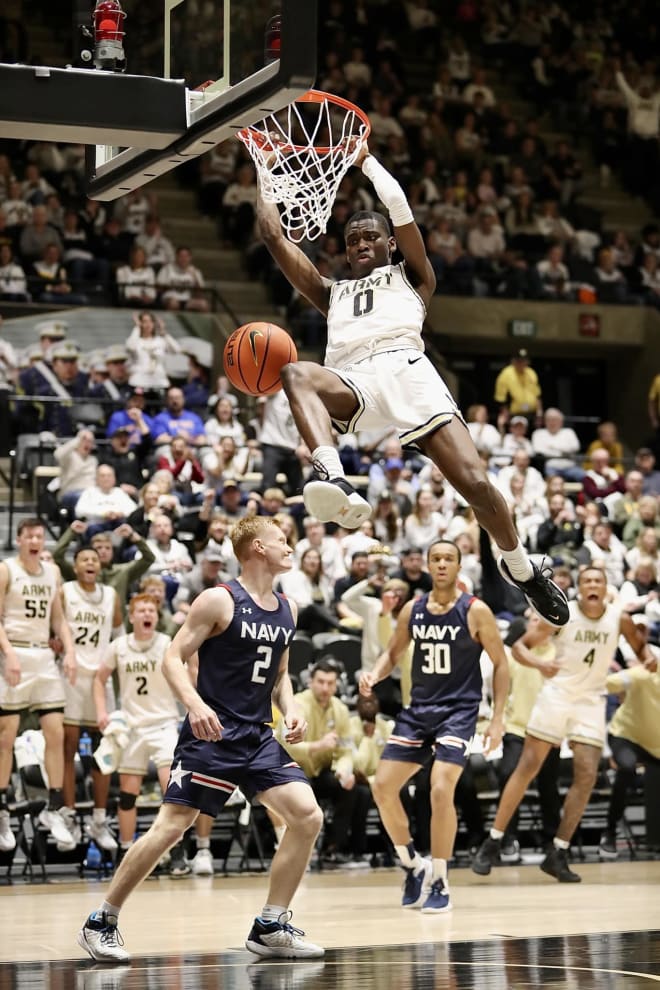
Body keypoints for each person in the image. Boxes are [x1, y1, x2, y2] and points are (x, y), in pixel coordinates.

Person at [256, 142, 568, 629]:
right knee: (295, 372)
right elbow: (274, 237)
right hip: (355, 378)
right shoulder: (331, 292)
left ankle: (522, 569)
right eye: (352, 238)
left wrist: (366, 162)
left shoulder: (413, 277)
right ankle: (332, 473)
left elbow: (399, 208)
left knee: (476, 485)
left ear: (389, 245)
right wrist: (266, 173)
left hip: (409, 373)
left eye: (369, 237)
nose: (359, 244)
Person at [78, 516, 324, 962]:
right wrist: (194, 704)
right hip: (212, 734)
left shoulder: (288, 607)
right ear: (255, 549)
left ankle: (270, 924)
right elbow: (172, 658)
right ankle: (101, 920)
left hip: (257, 736)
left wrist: (292, 710)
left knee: (307, 816)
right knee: (173, 826)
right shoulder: (218, 599)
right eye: (281, 542)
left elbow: (281, 676)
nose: (290, 548)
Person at [471, 565, 654, 883]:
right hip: (557, 696)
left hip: (591, 701)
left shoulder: (619, 618)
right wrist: (542, 663)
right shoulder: (561, 614)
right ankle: (494, 840)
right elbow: (519, 647)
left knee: (587, 775)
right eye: (587, 581)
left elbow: (641, 650)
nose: (593, 585)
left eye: (598, 580)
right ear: (579, 589)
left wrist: (648, 653)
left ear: (606, 586)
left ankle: (558, 851)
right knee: (527, 766)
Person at [359, 539, 509, 912]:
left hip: (458, 712)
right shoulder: (414, 608)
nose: (442, 564)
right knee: (382, 787)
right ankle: (413, 865)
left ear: (459, 567)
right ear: (427, 566)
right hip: (418, 711)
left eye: (449, 559)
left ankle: (440, 879)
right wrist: (374, 675)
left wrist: (498, 719)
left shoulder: (476, 611)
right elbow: (393, 652)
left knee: (441, 789)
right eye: (436, 558)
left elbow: (501, 664)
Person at [0, 518, 77, 852]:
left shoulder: (53, 572)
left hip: (44, 657)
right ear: (18, 540)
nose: (35, 541)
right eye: (29, 536)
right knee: (6, 735)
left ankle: (54, 807)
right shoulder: (6, 570)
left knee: (56, 733)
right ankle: (2, 808)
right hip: (14, 652)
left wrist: (70, 652)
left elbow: (57, 617)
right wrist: (8, 655)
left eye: (39, 537)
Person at [60, 546, 123, 851]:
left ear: (100, 566)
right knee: (68, 748)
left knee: (105, 752)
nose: (89, 562)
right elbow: (54, 627)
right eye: (84, 559)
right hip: (71, 677)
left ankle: (99, 820)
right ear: (75, 567)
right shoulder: (65, 591)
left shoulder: (111, 595)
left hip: (100, 679)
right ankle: (69, 817)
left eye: (94, 559)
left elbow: (119, 631)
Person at [280, 658, 372, 866]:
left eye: (330, 683)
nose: (325, 688)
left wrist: (343, 771)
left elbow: (346, 750)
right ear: (311, 682)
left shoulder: (340, 709)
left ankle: (333, 849)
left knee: (352, 789)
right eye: (321, 682)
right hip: (293, 772)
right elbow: (286, 746)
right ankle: (301, 850)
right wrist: (317, 746)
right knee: (305, 793)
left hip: (321, 771)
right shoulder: (296, 705)